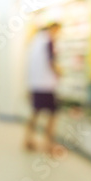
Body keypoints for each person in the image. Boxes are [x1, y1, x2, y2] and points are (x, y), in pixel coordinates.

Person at [25, 22, 62, 154]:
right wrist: (59, 72)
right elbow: (51, 62)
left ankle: (28, 139)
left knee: (35, 112)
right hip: (46, 85)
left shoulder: (35, 41)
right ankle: (49, 144)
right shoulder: (48, 41)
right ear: (53, 29)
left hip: (35, 84)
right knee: (53, 114)